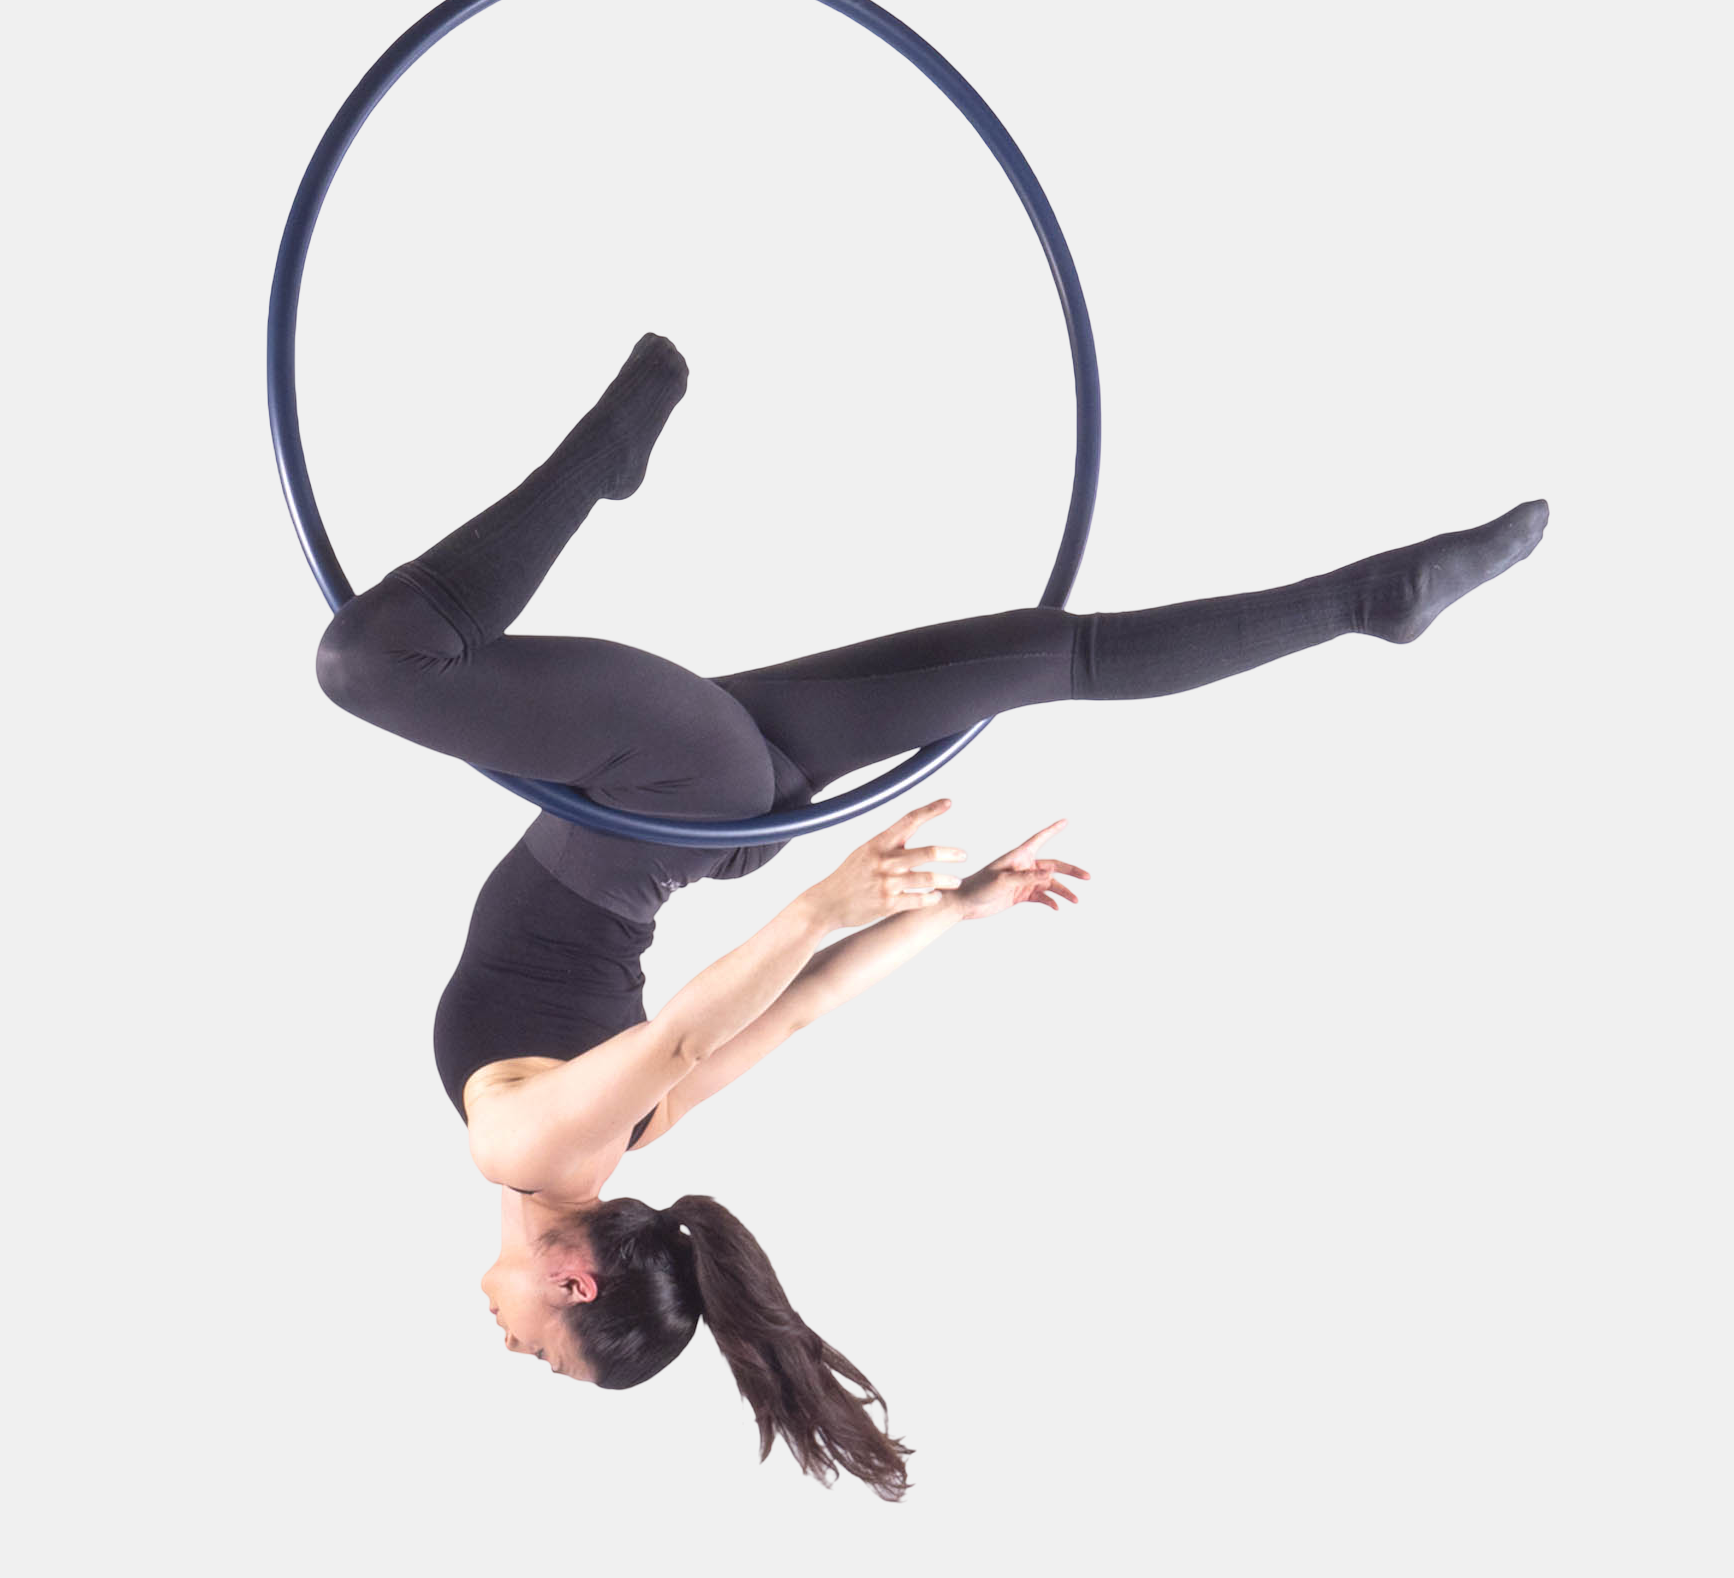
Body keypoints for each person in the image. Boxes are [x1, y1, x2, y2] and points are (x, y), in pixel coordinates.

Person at [313, 332, 1547, 1499]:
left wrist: (957, 910)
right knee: (372, 664)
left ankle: (1367, 599)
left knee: (1054, 654)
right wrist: (835, 902)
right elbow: (700, 1023)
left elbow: (792, 1017)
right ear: (572, 1278)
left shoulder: (611, 1143)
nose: (513, 1342)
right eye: (544, 1349)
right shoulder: (536, 1150)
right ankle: (610, 447)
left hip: (720, 810)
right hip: (671, 790)